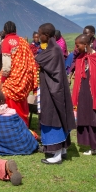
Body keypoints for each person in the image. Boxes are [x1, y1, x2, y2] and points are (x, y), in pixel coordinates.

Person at [35, 23, 76, 164]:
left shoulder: (53, 51)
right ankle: (62, 149)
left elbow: (40, 60)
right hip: (53, 88)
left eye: (40, 34)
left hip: (52, 90)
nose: (39, 36)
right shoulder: (55, 48)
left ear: (46, 35)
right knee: (57, 116)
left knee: (53, 118)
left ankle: (57, 154)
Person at [0, 21, 38, 127]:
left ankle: (10, 124)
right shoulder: (23, 41)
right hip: (24, 78)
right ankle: (22, 122)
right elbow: (31, 60)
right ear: (16, 30)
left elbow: (7, 67)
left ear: (4, 31)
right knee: (21, 100)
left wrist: (2, 82)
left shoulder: (6, 42)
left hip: (12, 78)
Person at [0, 91, 38, 155]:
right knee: (29, 134)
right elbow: (22, 129)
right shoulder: (12, 113)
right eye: (4, 96)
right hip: (15, 145)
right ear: (2, 101)